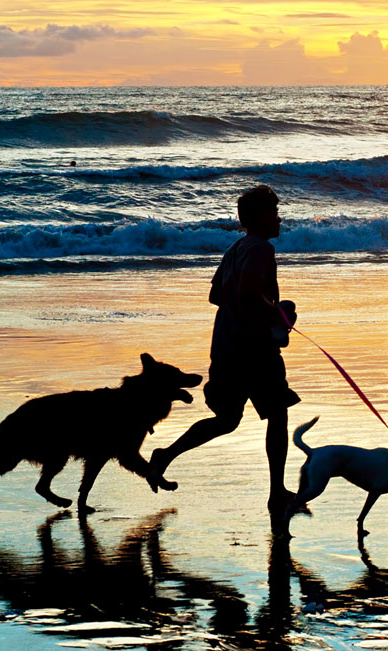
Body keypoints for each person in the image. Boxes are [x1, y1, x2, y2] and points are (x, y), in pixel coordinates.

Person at [147, 184, 300, 529]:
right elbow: (246, 292)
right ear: (259, 218)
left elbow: (217, 295)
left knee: (227, 420)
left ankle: (165, 455)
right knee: (277, 414)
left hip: (227, 346)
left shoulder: (236, 248)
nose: (278, 219)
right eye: (274, 212)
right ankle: (277, 492)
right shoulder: (261, 250)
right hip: (254, 349)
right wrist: (275, 313)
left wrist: (257, 307)